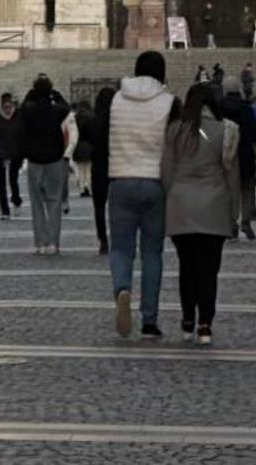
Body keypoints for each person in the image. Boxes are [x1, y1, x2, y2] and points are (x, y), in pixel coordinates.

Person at [162, 82, 240, 345]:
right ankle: (205, 323)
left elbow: (167, 172)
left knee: (187, 267)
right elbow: (232, 175)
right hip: (214, 205)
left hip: (182, 204)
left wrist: (171, 199)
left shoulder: (174, 130)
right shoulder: (225, 131)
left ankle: (187, 320)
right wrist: (234, 212)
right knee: (209, 269)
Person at [107, 49, 174, 340]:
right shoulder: (169, 102)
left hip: (120, 179)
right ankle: (149, 319)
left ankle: (122, 288)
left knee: (121, 248)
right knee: (151, 253)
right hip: (153, 182)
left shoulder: (116, 99)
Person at [19, 74, 73, 255]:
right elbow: (67, 108)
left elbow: (21, 109)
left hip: (34, 159)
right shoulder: (56, 110)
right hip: (54, 159)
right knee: (54, 201)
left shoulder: (29, 109)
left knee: (36, 204)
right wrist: (56, 94)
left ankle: (40, 243)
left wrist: (30, 94)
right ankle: (54, 243)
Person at [218, 85, 256, 240]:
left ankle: (231, 224)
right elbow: (254, 131)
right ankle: (246, 221)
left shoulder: (219, 106)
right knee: (247, 190)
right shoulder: (246, 108)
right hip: (245, 153)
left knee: (229, 191)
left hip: (228, 154)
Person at [0, 91, 23, 215]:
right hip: (0, 154)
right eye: (5, 107)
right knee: (1, 182)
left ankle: (16, 199)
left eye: (9, 107)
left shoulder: (19, 115)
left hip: (16, 153)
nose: (8, 110)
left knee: (14, 178)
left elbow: (24, 133)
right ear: (2, 106)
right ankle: (4, 209)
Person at [91, 83, 116, 255]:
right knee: (117, 206)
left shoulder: (93, 121)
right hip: (116, 166)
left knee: (99, 206)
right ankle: (119, 237)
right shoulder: (117, 121)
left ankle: (103, 240)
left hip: (99, 166)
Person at [73, 98, 98, 198]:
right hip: (89, 145)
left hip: (78, 144)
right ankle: (88, 186)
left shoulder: (75, 117)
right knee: (88, 168)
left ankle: (82, 187)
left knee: (80, 168)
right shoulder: (92, 117)